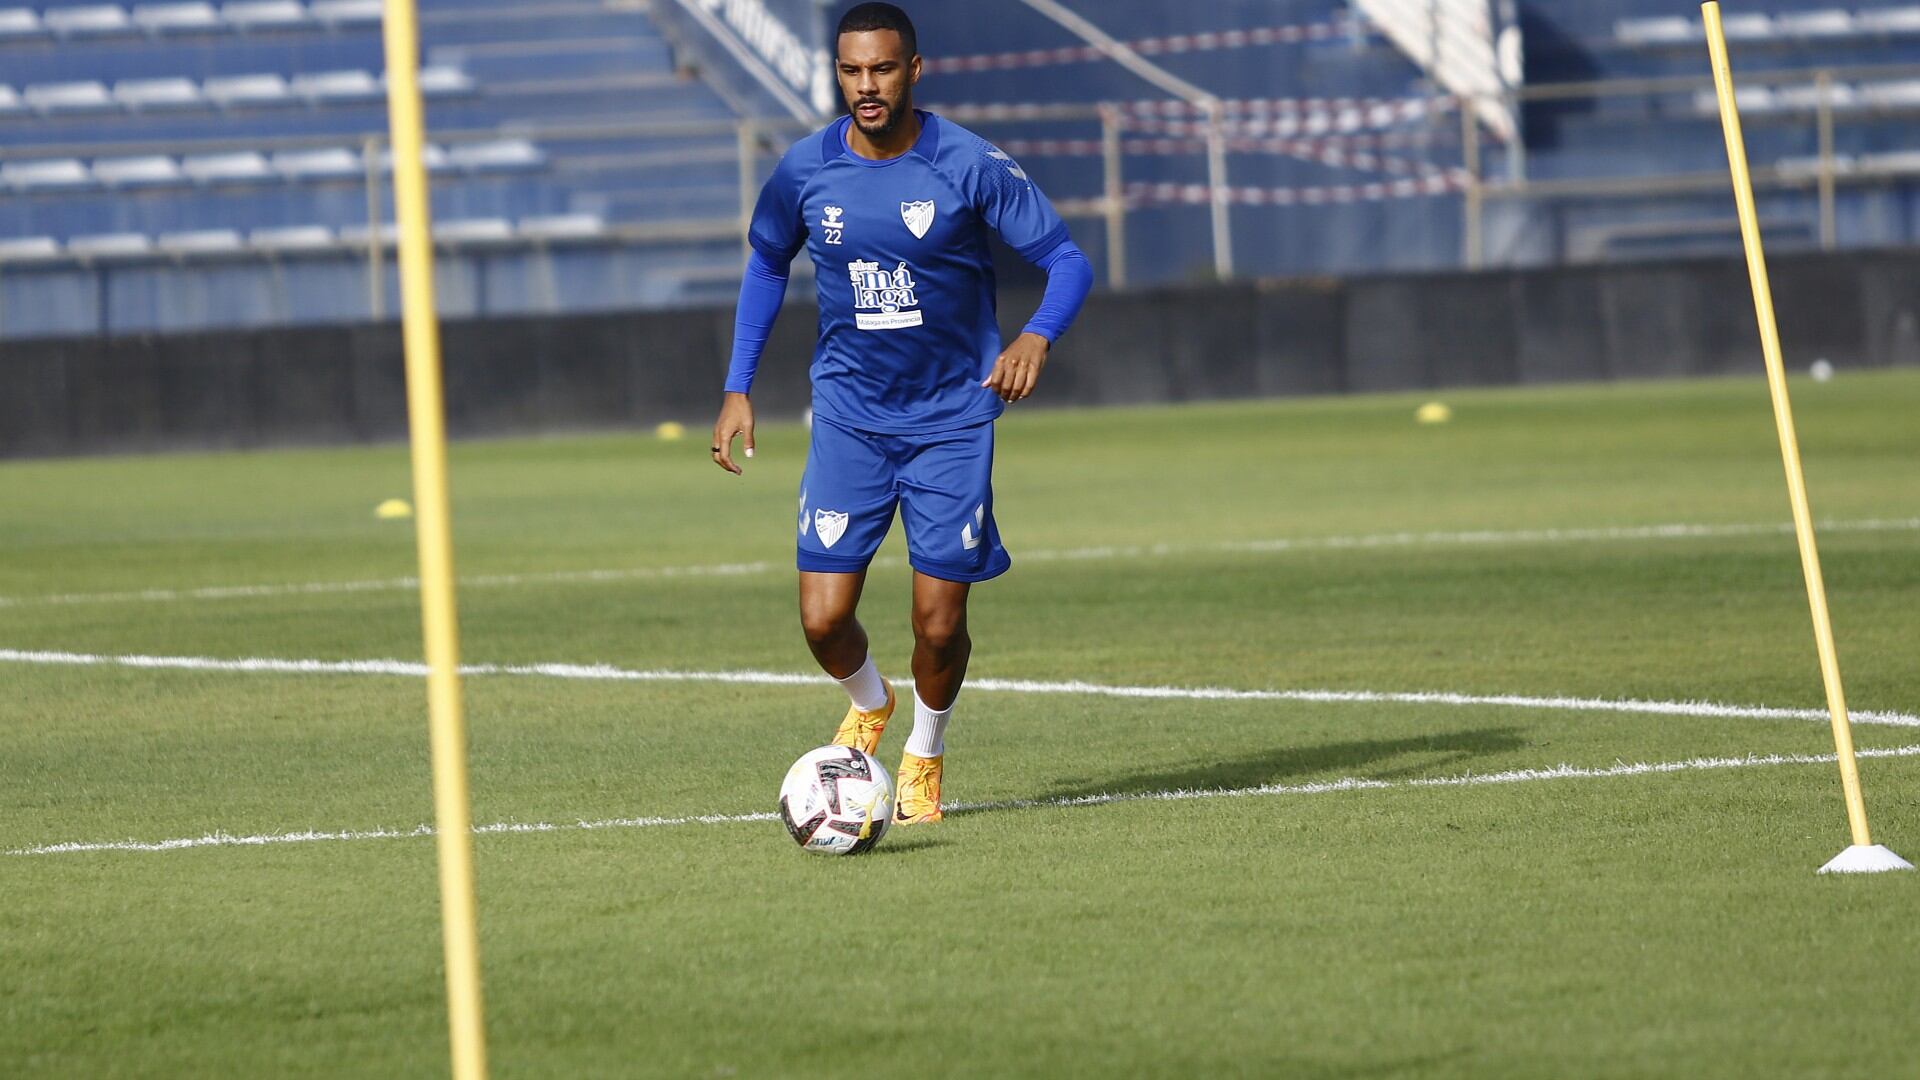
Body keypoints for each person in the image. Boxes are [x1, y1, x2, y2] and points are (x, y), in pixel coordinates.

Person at [710, 2, 1092, 825]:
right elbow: (768, 263)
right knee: (822, 619)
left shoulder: (968, 163)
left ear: (914, 71)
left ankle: (924, 751)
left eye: (882, 69)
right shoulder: (806, 169)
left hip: (953, 420)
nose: (865, 86)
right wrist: (740, 385)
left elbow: (1066, 260)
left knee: (939, 623)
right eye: (850, 71)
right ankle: (870, 701)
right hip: (850, 417)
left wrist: (1036, 337)